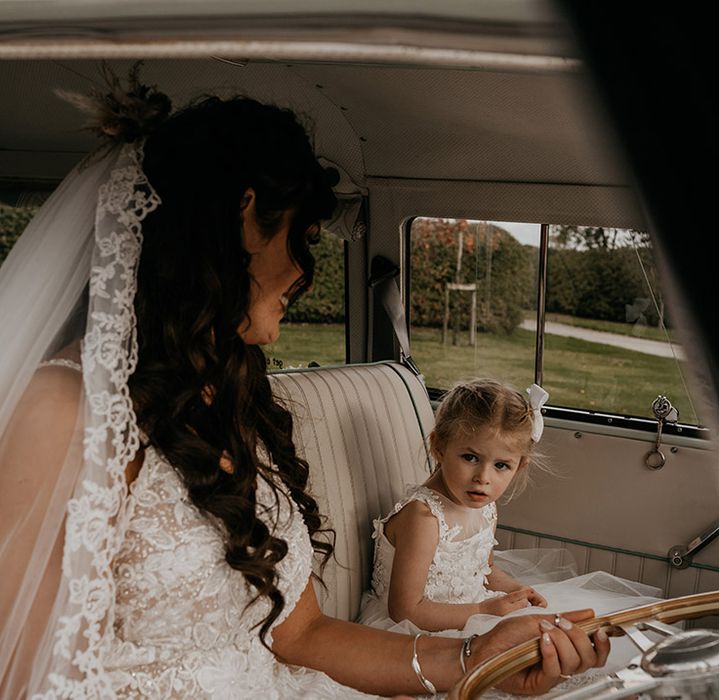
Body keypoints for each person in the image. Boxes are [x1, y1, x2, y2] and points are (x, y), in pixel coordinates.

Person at [0, 66, 610, 698]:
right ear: (242, 220)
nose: (304, 273)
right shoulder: (64, 410)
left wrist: (476, 658)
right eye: (303, 236)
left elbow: (302, 634)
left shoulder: (236, 402)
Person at [358, 379, 663, 689]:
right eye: (470, 457)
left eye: (501, 465)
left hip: (475, 611)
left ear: (519, 466)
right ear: (439, 447)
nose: (483, 478)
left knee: (572, 655)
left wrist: (518, 590)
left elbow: (484, 569)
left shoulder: (484, 507)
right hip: (415, 632)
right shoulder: (423, 517)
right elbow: (406, 610)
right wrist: (484, 610)